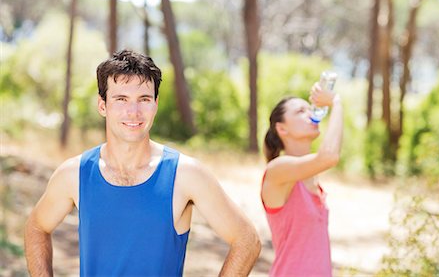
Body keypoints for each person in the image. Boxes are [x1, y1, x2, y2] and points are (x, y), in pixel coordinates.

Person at [24, 49, 261, 276]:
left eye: (144, 99)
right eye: (121, 99)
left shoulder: (186, 174)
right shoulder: (74, 173)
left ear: (155, 105)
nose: (133, 111)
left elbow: (246, 240)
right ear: (102, 105)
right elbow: (36, 228)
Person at [260, 83, 343, 276]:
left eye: (310, 108)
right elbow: (329, 156)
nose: (311, 113)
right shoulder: (276, 170)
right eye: (300, 111)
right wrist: (336, 103)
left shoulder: (313, 179)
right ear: (282, 128)